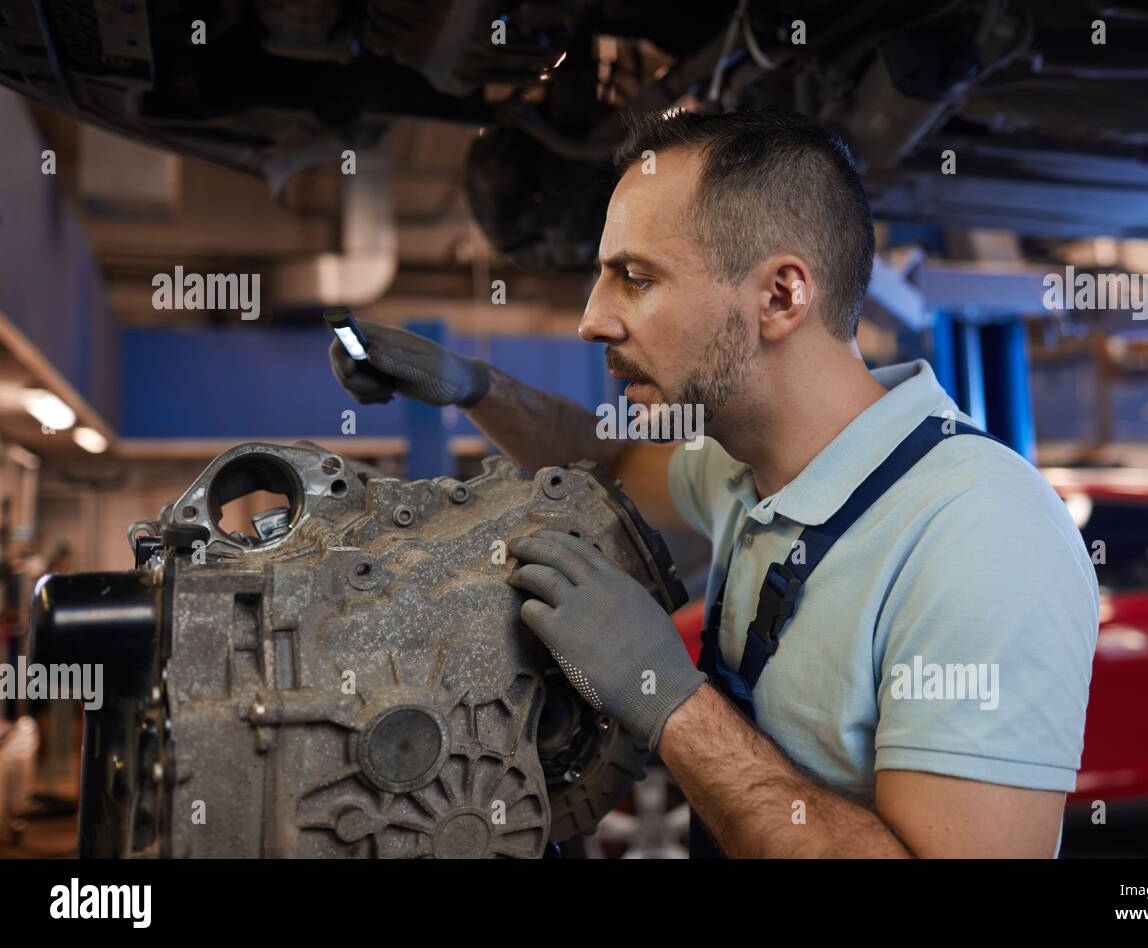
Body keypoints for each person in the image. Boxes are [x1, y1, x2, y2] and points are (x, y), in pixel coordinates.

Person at [330, 109, 1099, 858]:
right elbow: (609, 460)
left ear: (781, 296)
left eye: (635, 277)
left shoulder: (980, 534)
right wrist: (474, 386)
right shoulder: (739, 464)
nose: (592, 321)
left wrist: (670, 701)